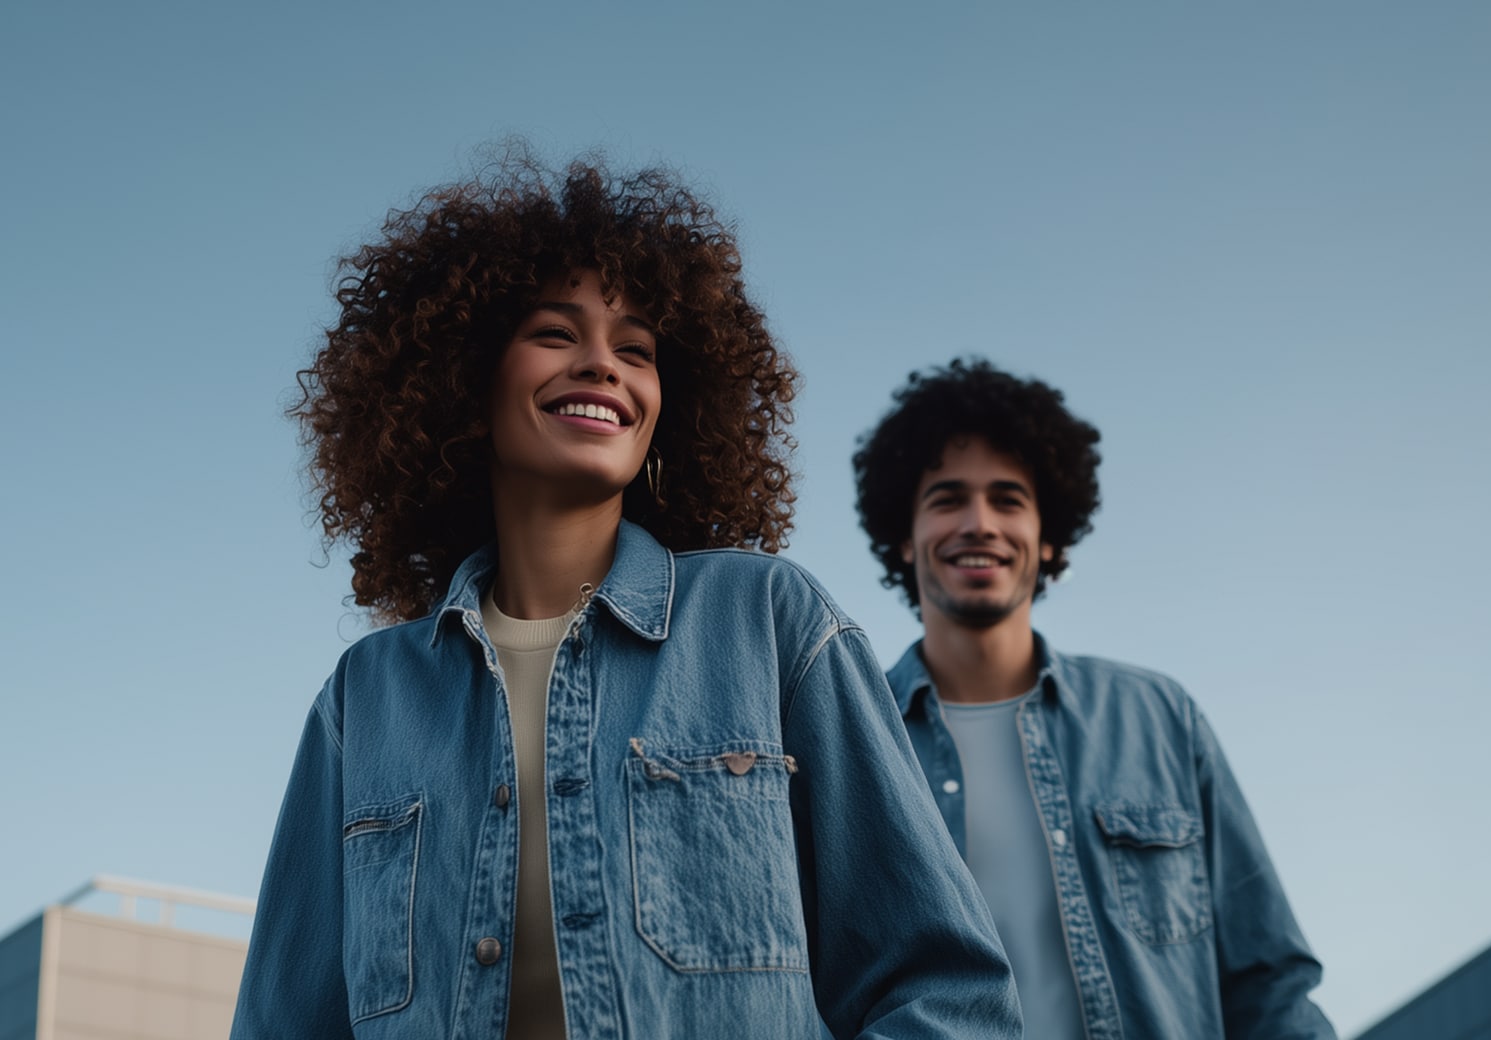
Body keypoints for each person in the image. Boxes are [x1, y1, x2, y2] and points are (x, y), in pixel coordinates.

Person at [232, 153, 1019, 1039]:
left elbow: (945, 992)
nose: (604, 365)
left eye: (636, 349)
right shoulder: (365, 698)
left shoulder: (768, 623)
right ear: (465, 378)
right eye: (557, 335)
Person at [852, 358, 1336, 1040]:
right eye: (947, 498)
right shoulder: (853, 743)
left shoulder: (1160, 721)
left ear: (1049, 539)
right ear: (904, 538)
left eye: (1008, 499)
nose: (979, 523)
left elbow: (1269, 984)